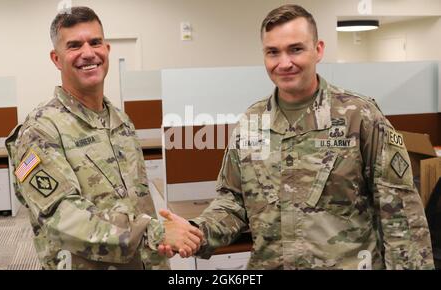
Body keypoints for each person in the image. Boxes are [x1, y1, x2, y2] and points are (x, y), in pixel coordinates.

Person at [159, 4, 435, 269]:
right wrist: (198, 231)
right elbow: (233, 201)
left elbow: (401, 214)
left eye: (295, 49)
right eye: (273, 52)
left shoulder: (359, 116)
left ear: (318, 49)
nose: (284, 63)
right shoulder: (252, 122)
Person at [5, 6, 202, 270]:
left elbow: (139, 204)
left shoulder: (120, 120)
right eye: (74, 46)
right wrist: (154, 233)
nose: (88, 53)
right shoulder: (39, 131)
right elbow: (61, 217)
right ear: (56, 58)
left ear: (107, 50)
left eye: (95, 42)